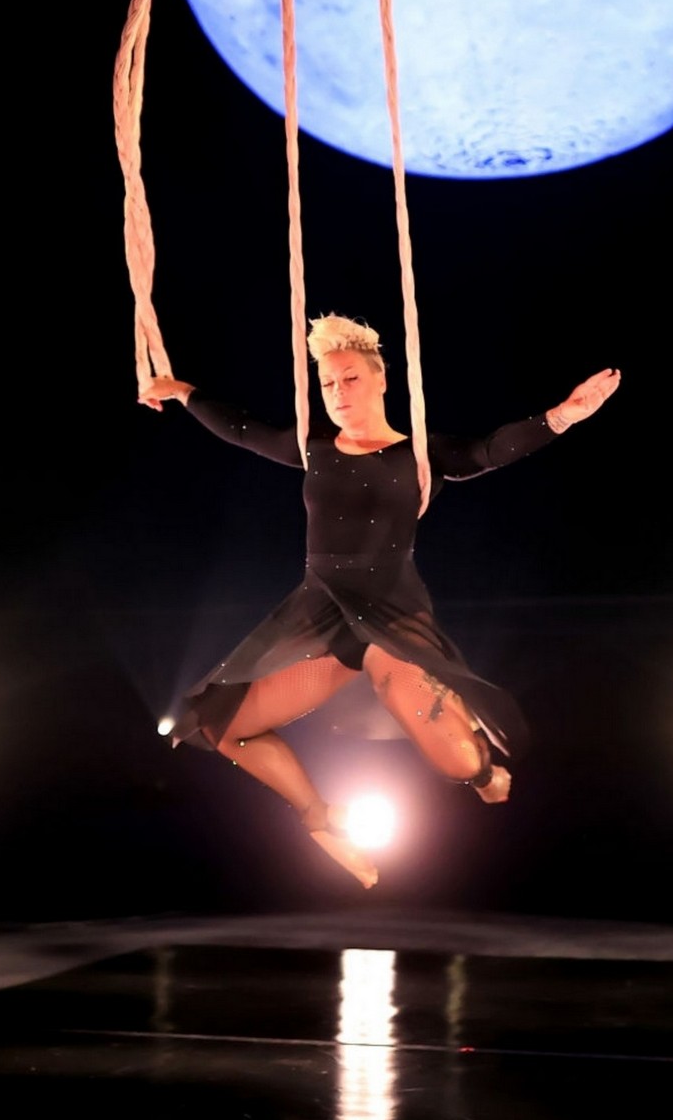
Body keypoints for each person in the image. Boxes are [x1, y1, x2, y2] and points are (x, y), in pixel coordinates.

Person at [140, 312, 620, 888]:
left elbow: (490, 450)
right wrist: (183, 391)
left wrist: (562, 415)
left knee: (462, 765)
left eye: (350, 379)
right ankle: (321, 818)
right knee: (222, 727)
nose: (338, 393)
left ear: (381, 380)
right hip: (320, 613)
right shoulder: (313, 446)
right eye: (328, 383)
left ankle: (480, 765)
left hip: (391, 614)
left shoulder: (419, 453)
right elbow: (242, 429)